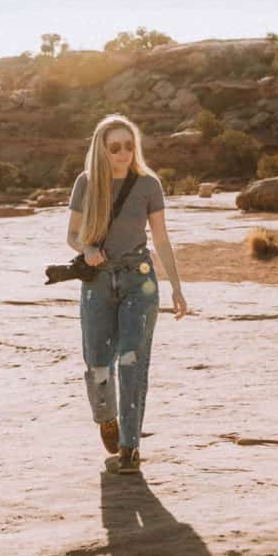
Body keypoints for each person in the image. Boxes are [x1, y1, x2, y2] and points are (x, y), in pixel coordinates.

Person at [65, 114, 188, 474]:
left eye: (128, 145)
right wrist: (86, 250)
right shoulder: (86, 183)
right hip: (98, 282)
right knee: (98, 364)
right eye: (115, 147)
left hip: (140, 281)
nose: (123, 153)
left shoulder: (149, 184)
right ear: (102, 150)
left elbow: (161, 238)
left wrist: (176, 286)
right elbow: (72, 234)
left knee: (133, 362)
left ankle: (130, 448)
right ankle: (106, 418)